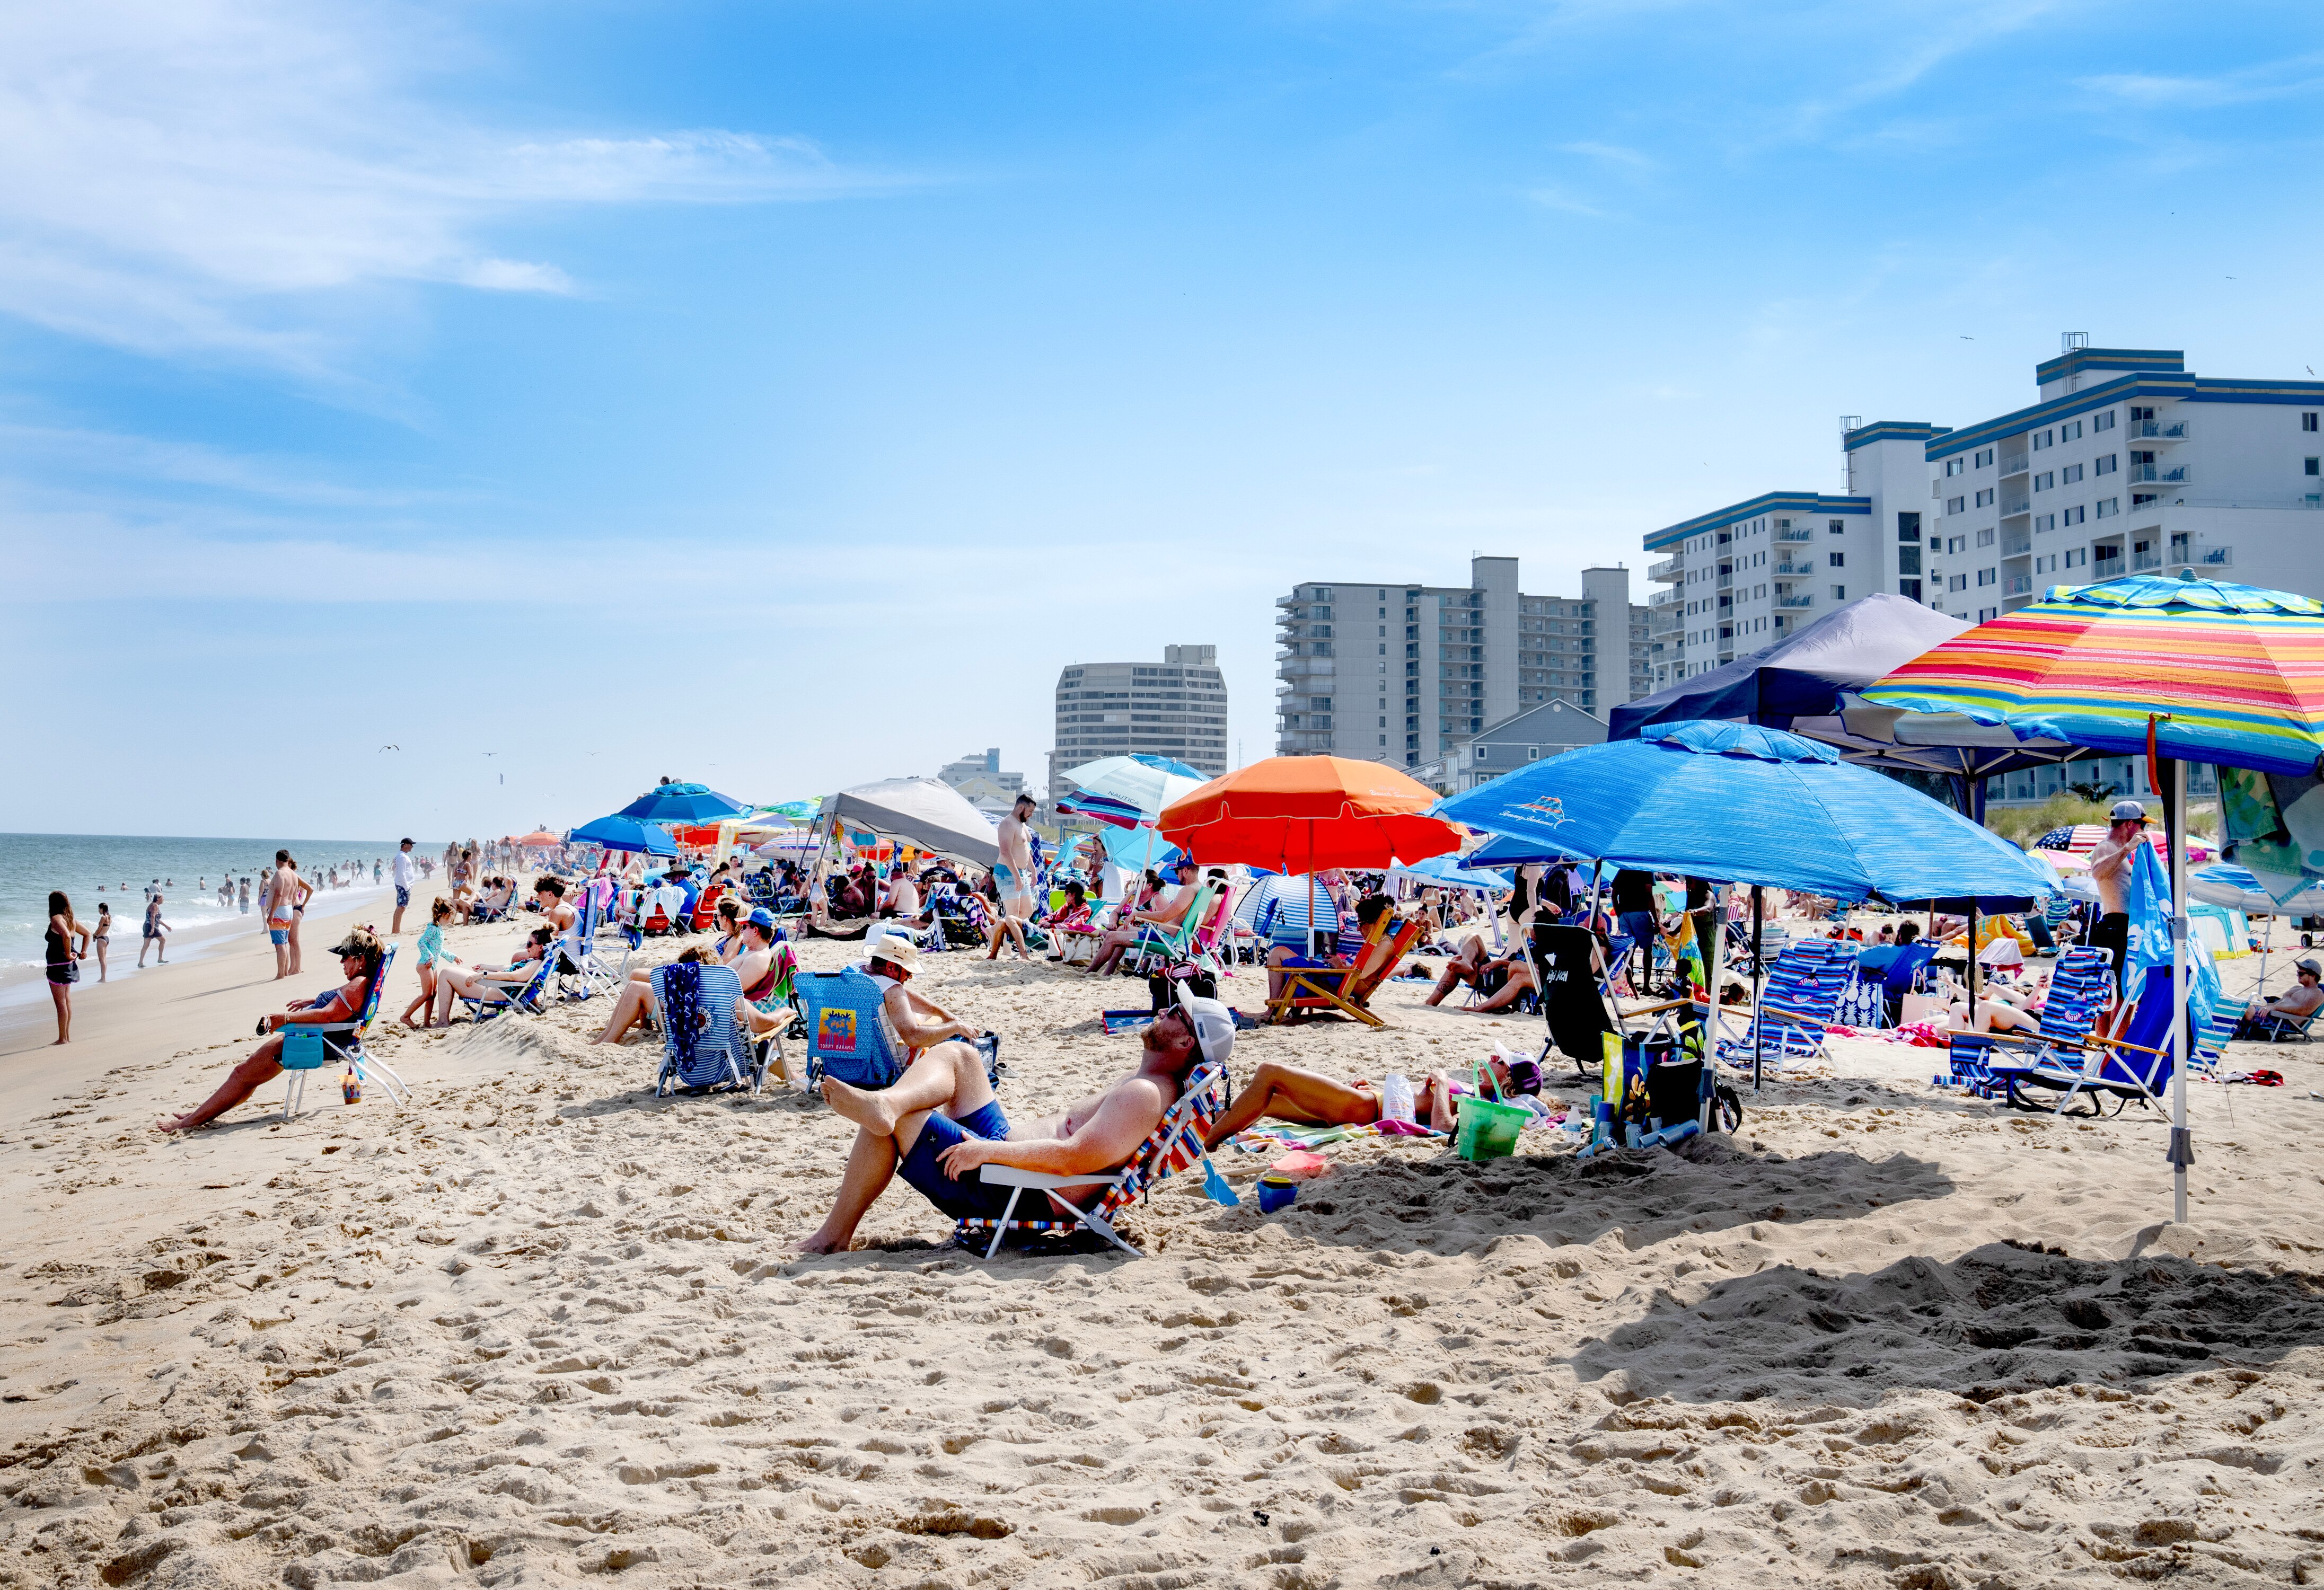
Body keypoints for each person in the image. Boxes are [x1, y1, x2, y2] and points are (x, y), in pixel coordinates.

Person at [797, 992, 1235, 1256]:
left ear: (1184, 1041)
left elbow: (1074, 1159)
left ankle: (833, 1237)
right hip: (1009, 1162)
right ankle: (887, 1103)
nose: (1165, 1010)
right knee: (962, 1056)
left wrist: (984, 1151)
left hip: (1015, 1189)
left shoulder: (1146, 1096)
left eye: (1176, 1012)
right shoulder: (1148, 1085)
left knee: (899, 1123)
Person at [157, 930, 385, 1131]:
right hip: (323, 1040)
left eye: (344, 957)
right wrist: (314, 1000)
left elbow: (327, 1015)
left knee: (243, 1075)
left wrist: (282, 1019)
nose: (341, 962)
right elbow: (336, 1005)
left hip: (313, 1043)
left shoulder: (358, 985)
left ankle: (189, 1122)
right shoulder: (363, 982)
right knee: (247, 1076)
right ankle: (199, 1115)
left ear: (360, 960)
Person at [1203, 1051, 1542, 1149]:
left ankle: (1210, 1140)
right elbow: (1413, 1105)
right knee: (1266, 1100)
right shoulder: (1471, 1090)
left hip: (1364, 1109)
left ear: (1509, 1080)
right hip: (1368, 1100)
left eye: (1499, 1062)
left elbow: (1444, 1128)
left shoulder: (1484, 1105)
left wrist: (1440, 1083)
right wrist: (1378, 1085)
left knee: (1270, 1072)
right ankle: (1203, 1125)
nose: (1490, 1060)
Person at [1086, 860, 1204, 976]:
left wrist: (1137, 914)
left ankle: (1090, 972)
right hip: (1172, 937)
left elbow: (1164, 916)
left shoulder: (1188, 890)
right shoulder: (1201, 890)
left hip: (1165, 938)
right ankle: (1107, 973)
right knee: (1120, 932)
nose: (1177, 875)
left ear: (1185, 870)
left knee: (1112, 937)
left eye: (1177, 872)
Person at [429, 929, 553, 1025]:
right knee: (451, 972)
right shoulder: (533, 962)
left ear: (540, 947)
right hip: (496, 988)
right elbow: (508, 968)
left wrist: (484, 975)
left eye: (529, 944)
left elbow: (512, 976)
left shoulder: (535, 963)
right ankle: (443, 1020)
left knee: (446, 973)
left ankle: (443, 1021)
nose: (527, 947)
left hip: (496, 991)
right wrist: (485, 967)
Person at [2085, 800, 2146, 996]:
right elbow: (2097, 872)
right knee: (2123, 997)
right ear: (2130, 824)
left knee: (2109, 998)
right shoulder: (2107, 847)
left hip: (2119, 926)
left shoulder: (2117, 851)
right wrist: (2128, 848)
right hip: (2116, 926)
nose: (2143, 830)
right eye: (2142, 825)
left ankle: (2109, 1029)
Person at [401, 898, 455, 1027]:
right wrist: (430, 956)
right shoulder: (433, 928)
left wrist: (453, 957)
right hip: (425, 964)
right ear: (444, 915)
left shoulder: (439, 930)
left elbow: (438, 949)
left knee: (432, 994)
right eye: (451, 918)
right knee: (427, 994)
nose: (451, 921)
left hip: (432, 965)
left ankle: (427, 1022)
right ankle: (406, 1017)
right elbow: (421, 943)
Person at [2237, 957, 2324, 1038]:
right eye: (2298, 973)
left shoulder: (2317, 993)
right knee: (2240, 1006)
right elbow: (2277, 1003)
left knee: (2245, 1009)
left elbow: (2303, 1011)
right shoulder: (2297, 988)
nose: (2298, 975)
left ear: (2313, 976)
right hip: (2274, 1014)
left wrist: (2274, 1008)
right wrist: (2267, 1006)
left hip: (2284, 1021)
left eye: (2301, 974)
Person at [45, 891, 90, 1044]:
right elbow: (88, 934)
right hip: (68, 966)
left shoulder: (56, 919)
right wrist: (83, 952)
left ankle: (62, 1038)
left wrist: (68, 954)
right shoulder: (71, 920)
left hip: (58, 966)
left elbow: (66, 936)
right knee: (67, 1001)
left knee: (61, 1003)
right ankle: (67, 1037)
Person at [992, 792, 1037, 924]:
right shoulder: (1008, 824)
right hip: (1007, 872)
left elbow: (1025, 849)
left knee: (1028, 910)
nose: (1031, 815)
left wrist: (1033, 871)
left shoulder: (1021, 824)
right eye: (1030, 811)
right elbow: (1006, 852)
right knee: (1013, 914)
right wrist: (1017, 877)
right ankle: (1008, 943)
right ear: (1021, 808)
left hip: (1022, 872)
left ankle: (995, 931)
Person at [137, 891, 172, 967]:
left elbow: (157, 919)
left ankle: (141, 963)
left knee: (146, 945)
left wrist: (166, 926)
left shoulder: (153, 905)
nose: (164, 899)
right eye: (162, 898)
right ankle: (160, 958)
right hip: (151, 926)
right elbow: (153, 917)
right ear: (158, 898)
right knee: (163, 940)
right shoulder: (155, 905)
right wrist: (153, 929)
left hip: (147, 926)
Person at [391, 838, 417, 935]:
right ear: (405, 845)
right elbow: (402, 873)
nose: (412, 846)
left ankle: (395, 930)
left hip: (402, 885)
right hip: (403, 886)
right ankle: (396, 931)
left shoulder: (402, 856)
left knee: (399, 907)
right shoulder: (402, 857)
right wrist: (407, 888)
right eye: (411, 844)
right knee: (401, 907)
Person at [90, 902, 112, 983]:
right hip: (106, 938)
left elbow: (99, 929)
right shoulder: (109, 917)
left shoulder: (103, 918)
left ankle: (103, 978)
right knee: (104, 960)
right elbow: (106, 928)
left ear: (102, 909)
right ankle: (103, 977)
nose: (99, 911)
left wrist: (94, 935)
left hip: (101, 939)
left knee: (101, 960)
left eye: (99, 909)